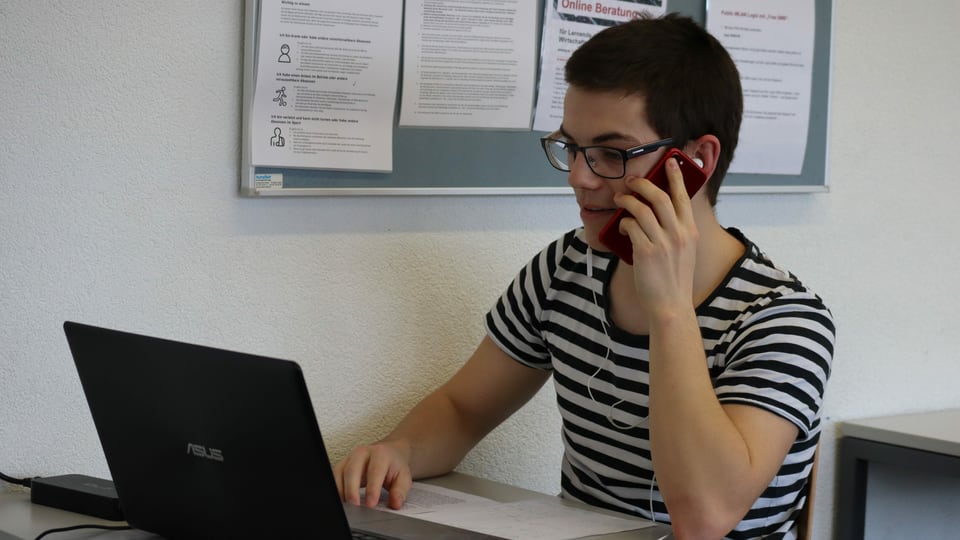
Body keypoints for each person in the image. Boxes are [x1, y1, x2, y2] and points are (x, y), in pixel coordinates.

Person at [335, 13, 835, 540]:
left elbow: (704, 516)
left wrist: (669, 309)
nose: (579, 176)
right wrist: (400, 450)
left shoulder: (785, 321)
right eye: (573, 147)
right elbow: (463, 408)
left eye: (611, 154)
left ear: (695, 160)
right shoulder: (566, 267)